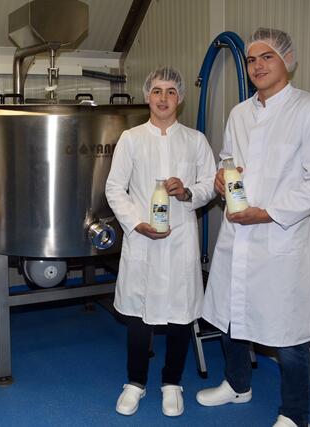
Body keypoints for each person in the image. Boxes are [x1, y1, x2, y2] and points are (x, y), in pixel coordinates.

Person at [196, 28, 310, 427]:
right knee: (229, 314)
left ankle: (296, 415)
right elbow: (228, 159)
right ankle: (237, 385)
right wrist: (221, 178)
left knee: (290, 335)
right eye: (252, 59)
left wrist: (269, 213)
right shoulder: (239, 113)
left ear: (287, 62)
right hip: (237, 234)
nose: (258, 66)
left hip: (280, 237)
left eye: (267, 58)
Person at [105, 66, 216, 418]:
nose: (163, 97)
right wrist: (137, 224)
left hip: (180, 238)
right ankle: (135, 383)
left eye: (170, 91)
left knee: (182, 315)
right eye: (157, 91)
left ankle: (172, 383)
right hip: (144, 240)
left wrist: (187, 192)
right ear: (147, 96)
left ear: (180, 97)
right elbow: (113, 188)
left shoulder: (195, 140)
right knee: (140, 315)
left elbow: (211, 183)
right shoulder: (131, 138)